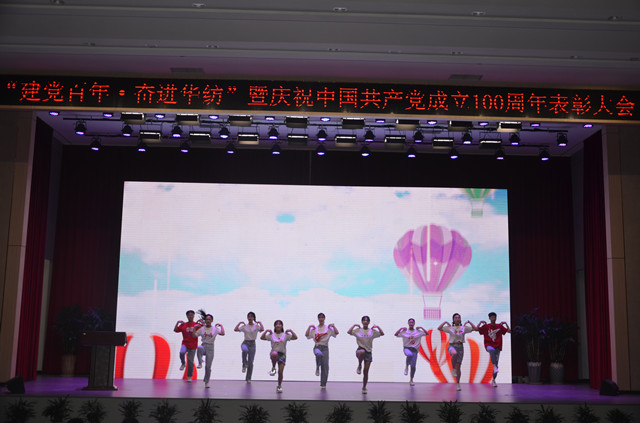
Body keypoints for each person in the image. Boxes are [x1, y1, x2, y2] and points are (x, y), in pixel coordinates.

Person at [438, 313, 477, 391]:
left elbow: (475, 329)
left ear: (460, 319)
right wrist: (445, 322)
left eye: (458, 318)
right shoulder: (450, 328)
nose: (457, 319)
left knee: (458, 367)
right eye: (455, 318)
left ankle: (458, 383)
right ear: (453, 319)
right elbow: (439, 328)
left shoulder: (463, 328)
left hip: (460, 347)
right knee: (454, 353)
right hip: (452, 345)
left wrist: (469, 322)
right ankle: (453, 368)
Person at [347, 316, 384, 394]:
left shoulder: (372, 331)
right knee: (362, 351)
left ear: (369, 322)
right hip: (360, 350)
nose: (365, 322)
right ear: (362, 322)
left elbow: (382, 334)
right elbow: (349, 332)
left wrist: (377, 327)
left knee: (366, 371)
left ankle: (364, 387)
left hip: (368, 352)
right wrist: (354, 325)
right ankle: (359, 365)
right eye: (364, 320)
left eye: (367, 320)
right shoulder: (358, 330)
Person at [261, 320, 298, 393]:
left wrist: (291, 331)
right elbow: (262, 338)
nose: (278, 325)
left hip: (282, 354)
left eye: (280, 324)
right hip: (274, 353)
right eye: (277, 324)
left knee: (280, 372)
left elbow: (295, 337)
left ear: (282, 326)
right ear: (274, 326)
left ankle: (279, 385)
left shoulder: (285, 335)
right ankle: (273, 367)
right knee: (274, 353)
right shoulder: (272, 335)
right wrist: (266, 331)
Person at [305, 312, 339, 389]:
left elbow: (336, 333)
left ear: (324, 318)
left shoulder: (328, 328)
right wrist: (309, 327)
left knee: (325, 366)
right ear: (318, 319)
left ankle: (323, 384)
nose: (321, 319)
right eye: (319, 317)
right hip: (317, 347)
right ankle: (317, 367)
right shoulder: (315, 329)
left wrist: (333, 326)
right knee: (318, 354)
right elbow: (307, 335)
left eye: (322, 317)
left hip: (325, 348)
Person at [477, 312, 510, 387]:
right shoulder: (486, 326)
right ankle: (494, 365)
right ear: (489, 318)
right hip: (488, 345)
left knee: (496, 366)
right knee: (492, 350)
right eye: (492, 317)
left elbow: (509, 331)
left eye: (494, 317)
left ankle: (493, 380)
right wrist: (480, 322)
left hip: (497, 347)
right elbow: (476, 329)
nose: (493, 318)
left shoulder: (499, 326)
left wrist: (506, 324)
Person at [193, 313, 225, 388]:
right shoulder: (202, 328)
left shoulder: (214, 329)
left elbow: (223, 333)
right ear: (205, 320)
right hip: (204, 345)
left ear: (212, 321)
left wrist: (221, 326)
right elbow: (194, 335)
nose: (208, 321)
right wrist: (194, 328)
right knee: (199, 348)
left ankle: (206, 381)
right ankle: (200, 362)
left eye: (209, 319)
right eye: (207, 319)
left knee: (208, 367)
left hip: (210, 347)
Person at [394, 318, 428, 386]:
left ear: (414, 323)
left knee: (413, 366)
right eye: (410, 322)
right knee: (409, 354)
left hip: (414, 350)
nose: (411, 324)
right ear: (408, 323)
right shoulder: (405, 331)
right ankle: (406, 366)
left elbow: (427, 333)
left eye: (412, 322)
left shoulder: (418, 331)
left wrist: (421, 328)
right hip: (407, 348)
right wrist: (401, 329)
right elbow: (396, 334)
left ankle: (411, 379)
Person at [234, 312, 264, 383]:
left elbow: (262, 329)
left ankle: (248, 378)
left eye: (251, 317)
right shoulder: (245, 326)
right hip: (245, 342)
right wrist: (239, 323)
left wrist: (260, 323)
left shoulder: (256, 326)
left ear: (253, 318)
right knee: (244, 350)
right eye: (249, 316)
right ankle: (244, 363)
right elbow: (235, 329)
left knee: (251, 362)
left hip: (252, 344)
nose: (250, 318)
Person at [173, 310, 203, 381]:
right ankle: (183, 363)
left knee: (190, 361)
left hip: (193, 346)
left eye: (192, 315)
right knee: (181, 353)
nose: (190, 316)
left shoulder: (196, 325)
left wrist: (202, 322)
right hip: (185, 344)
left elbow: (205, 329)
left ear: (193, 316)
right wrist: (177, 323)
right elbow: (175, 330)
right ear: (187, 316)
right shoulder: (184, 325)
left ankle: (189, 376)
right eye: (189, 315)